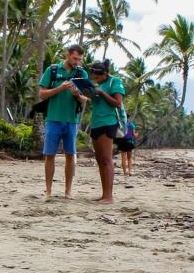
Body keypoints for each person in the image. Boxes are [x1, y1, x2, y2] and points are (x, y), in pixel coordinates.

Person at [37, 45, 87, 198]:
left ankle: (68, 191)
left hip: (72, 120)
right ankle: (49, 191)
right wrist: (60, 88)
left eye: (79, 59)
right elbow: (42, 94)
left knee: (70, 155)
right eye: (74, 58)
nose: (77, 62)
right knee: (49, 155)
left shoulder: (81, 73)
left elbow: (86, 99)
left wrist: (77, 94)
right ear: (67, 55)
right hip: (53, 119)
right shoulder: (52, 70)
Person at [84, 59, 127, 203]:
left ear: (105, 74)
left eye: (97, 77)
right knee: (99, 159)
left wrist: (102, 93)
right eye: (93, 78)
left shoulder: (114, 82)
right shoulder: (98, 84)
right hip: (95, 123)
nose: (95, 80)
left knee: (107, 159)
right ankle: (104, 194)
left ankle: (109, 196)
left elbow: (117, 103)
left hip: (108, 123)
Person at [116, 110, 137, 176]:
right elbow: (134, 135)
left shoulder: (120, 125)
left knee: (123, 158)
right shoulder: (131, 125)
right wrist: (137, 134)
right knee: (129, 158)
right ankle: (130, 171)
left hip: (122, 142)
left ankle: (125, 173)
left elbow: (118, 134)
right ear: (128, 118)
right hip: (129, 142)